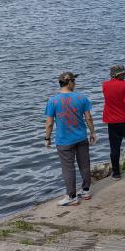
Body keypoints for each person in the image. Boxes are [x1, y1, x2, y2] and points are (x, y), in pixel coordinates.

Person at [45, 72, 97, 206]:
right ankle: (85, 191)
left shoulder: (53, 101)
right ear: (69, 83)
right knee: (84, 165)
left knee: (68, 168)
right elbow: (89, 118)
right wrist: (92, 132)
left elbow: (49, 123)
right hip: (81, 137)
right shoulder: (82, 98)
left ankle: (72, 196)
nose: (75, 84)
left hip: (64, 140)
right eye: (74, 81)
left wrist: (47, 138)